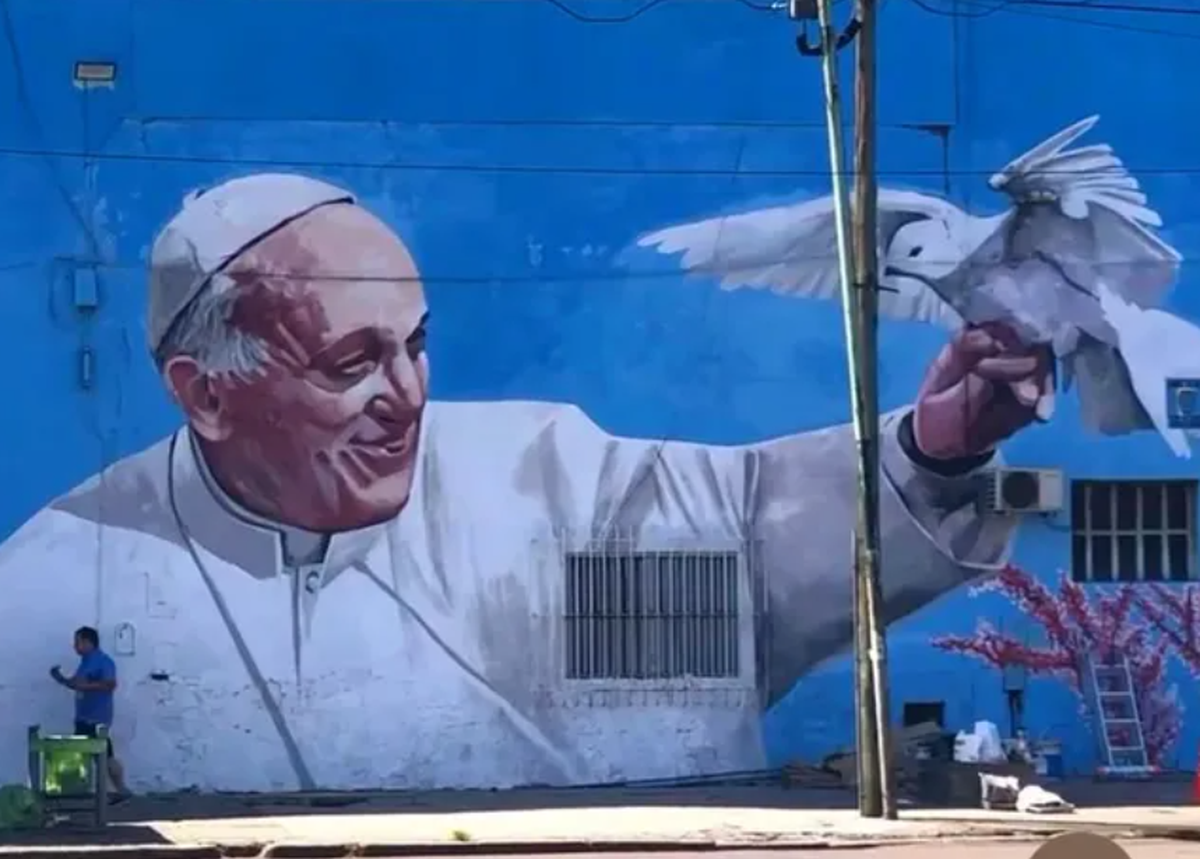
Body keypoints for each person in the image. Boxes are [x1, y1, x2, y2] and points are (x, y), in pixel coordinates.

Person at [0, 173, 1049, 792]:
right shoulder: (45, 582)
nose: (407, 397)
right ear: (205, 394)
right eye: (352, 363)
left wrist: (936, 447)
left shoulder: (538, 467)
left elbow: (752, 532)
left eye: (417, 346)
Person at [49, 627, 129, 798]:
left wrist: (86, 686)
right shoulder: (85, 662)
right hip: (83, 717)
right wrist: (60, 678)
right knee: (84, 755)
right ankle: (83, 791)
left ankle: (121, 790)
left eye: (77, 642)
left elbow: (110, 684)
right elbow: (76, 683)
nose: (74, 646)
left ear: (88, 642)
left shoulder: (103, 661)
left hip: (96, 718)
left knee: (104, 755)